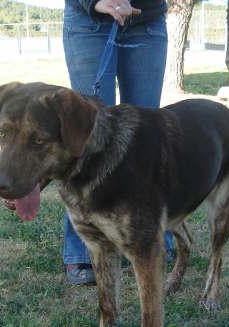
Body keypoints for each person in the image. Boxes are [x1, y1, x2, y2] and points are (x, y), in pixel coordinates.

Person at [62, 0, 174, 285]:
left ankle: (156, 234)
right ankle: (82, 251)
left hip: (145, 21)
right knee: (86, 133)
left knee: (148, 137)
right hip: (88, 22)